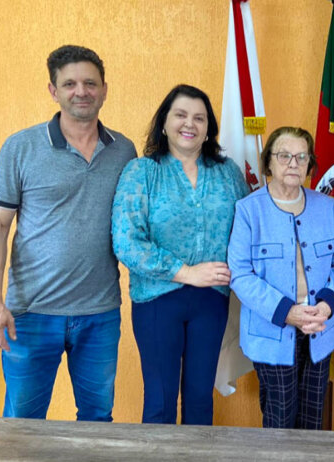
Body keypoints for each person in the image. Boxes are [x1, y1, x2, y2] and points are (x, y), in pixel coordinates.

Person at [0, 45, 137, 421]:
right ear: (53, 90)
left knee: (97, 421)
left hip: (100, 314)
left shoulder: (124, 151)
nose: (80, 91)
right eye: (69, 83)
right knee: (23, 425)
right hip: (30, 315)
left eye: (89, 83)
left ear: (104, 89)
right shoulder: (21, 147)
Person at [112, 84, 248, 425]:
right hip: (158, 301)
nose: (190, 124)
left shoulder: (228, 173)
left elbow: (250, 228)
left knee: (201, 401)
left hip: (212, 301)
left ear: (208, 129)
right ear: (164, 123)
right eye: (181, 115)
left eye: (199, 118)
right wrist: (187, 272)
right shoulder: (141, 172)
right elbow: (127, 241)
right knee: (159, 401)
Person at [228, 126, 334, 429]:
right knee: (279, 420)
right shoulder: (249, 210)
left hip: (320, 329)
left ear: (310, 164)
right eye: (284, 155)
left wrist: (327, 305)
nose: (293, 163)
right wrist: (288, 312)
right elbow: (240, 274)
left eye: (301, 156)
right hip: (271, 332)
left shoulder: (325, 207)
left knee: (313, 420)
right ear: (268, 162)